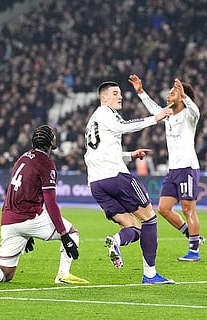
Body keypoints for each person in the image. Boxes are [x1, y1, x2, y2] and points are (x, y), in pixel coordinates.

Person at [0, 125, 87, 285]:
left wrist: (27, 233)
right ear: (51, 142)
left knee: (5, 274)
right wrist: (64, 235)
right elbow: (51, 203)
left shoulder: (23, 157)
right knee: (73, 232)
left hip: (9, 220)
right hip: (30, 218)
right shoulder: (47, 164)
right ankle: (63, 274)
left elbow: (14, 189)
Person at [84, 81, 174, 284]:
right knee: (149, 219)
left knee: (133, 227)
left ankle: (115, 241)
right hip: (116, 177)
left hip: (96, 183)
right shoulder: (106, 112)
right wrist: (155, 118)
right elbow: (123, 127)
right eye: (115, 93)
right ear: (103, 98)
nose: (120, 97)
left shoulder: (93, 122)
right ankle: (150, 275)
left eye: (120, 94)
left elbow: (98, 153)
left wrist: (130, 156)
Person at [129, 74, 203, 262]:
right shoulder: (168, 115)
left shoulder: (189, 115)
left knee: (188, 209)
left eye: (172, 93)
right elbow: (155, 110)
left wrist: (184, 95)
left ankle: (194, 251)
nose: (168, 96)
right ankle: (192, 236)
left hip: (187, 167)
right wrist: (140, 92)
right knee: (163, 208)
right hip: (173, 170)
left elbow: (196, 110)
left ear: (182, 96)